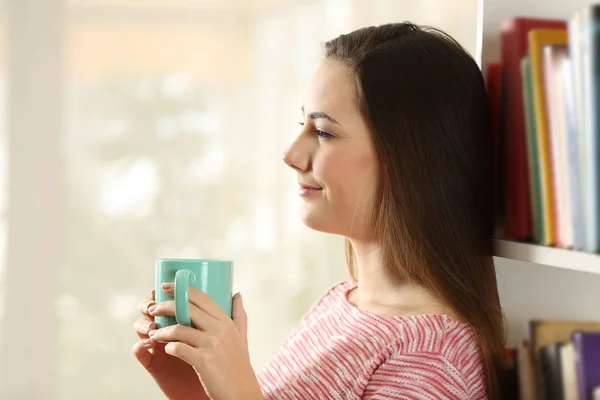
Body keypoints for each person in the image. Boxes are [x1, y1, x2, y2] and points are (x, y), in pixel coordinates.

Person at [132, 21, 506, 400]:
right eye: (302, 124)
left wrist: (236, 388)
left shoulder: (431, 357)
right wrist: (193, 385)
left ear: (410, 157)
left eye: (324, 133)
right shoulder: (339, 305)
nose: (292, 155)